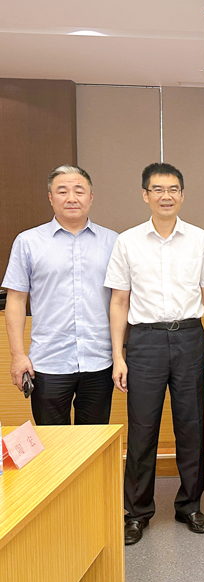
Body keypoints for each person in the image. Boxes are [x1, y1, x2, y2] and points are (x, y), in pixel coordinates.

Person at [105, 163, 204, 545]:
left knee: (191, 427)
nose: (166, 196)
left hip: (190, 338)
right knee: (142, 430)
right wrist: (119, 356)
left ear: (182, 195)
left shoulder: (200, 240)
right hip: (144, 343)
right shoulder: (127, 241)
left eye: (173, 189)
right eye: (157, 189)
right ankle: (137, 512)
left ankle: (189, 505)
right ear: (145, 195)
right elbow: (119, 301)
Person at [3, 165, 117, 425]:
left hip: (99, 361)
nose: (71, 198)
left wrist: (121, 355)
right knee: (53, 443)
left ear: (91, 197)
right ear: (50, 197)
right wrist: (18, 355)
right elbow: (16, 300)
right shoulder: (28, 242)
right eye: (62, 191)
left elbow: (122, 301)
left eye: (79, 191)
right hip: (48, 362)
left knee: (94, 442)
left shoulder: (113, 242)